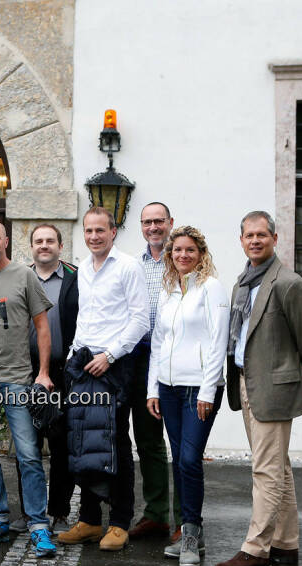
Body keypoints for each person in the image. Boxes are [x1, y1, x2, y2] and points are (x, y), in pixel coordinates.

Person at [214, 211, 302, 566]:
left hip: (274, 386)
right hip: (245, 381)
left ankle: (256, 548)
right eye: (249, 235)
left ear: (275, 239)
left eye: (262, 235)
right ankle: (286, 544)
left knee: (265, 470)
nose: (255, 241)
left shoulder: (287, 282)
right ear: (241, 240)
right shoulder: (243, 282)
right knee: (279, 468)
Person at [56, 207, 148, 552]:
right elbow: (85, 319)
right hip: (81, 365)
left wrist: (109, 356)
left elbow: (140, 320)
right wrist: (72, 359)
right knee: (81, 441)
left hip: (114, 366)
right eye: (89, 231)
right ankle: (90, 521)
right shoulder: (83, 269)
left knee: (114, 442)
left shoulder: (128, 267)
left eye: (100, 230)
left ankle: (120, 521)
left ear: (113, 232)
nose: (94, 236)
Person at [0, 220, 58, 558]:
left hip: (18, 378)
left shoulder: (24, 275)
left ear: (6, 240)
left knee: (29, 454)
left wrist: (43, 373)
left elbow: (42, 326)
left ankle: (37, 524)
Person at [145, 226, 229, 566]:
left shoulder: (211, 288)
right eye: (177, 250)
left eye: (190, 250)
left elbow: (217, 342)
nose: (183, 255)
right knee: (179, 460)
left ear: (201, 254)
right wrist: (153, 388)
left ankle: (191, 534)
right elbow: (158, 343)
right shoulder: (169, 290)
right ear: (170, 255)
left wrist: (208, 390)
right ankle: (191, 530)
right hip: (168, 386)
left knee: (191, 460)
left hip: (199, 389)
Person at [12, 223, 78, 534]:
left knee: (62, 443)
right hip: (26, 371)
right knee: (27, 445)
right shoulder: (19, 278)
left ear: (60, 246)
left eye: (50, 240)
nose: (44, 245)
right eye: (38, 241)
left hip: (63, 373)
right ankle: (29, 512)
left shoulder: (75, 279)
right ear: (31, 247)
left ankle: (60, 512)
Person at [128, 202, 182, 543]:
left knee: (179, 443)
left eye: (158, 221)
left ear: (170, 223)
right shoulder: (134, 265)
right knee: (147, 440)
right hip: (139, 356)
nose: (153, 227)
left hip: (176, 359)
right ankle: (156, 514)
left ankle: (184, 520)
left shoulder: (185, 261)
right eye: (147, 222)